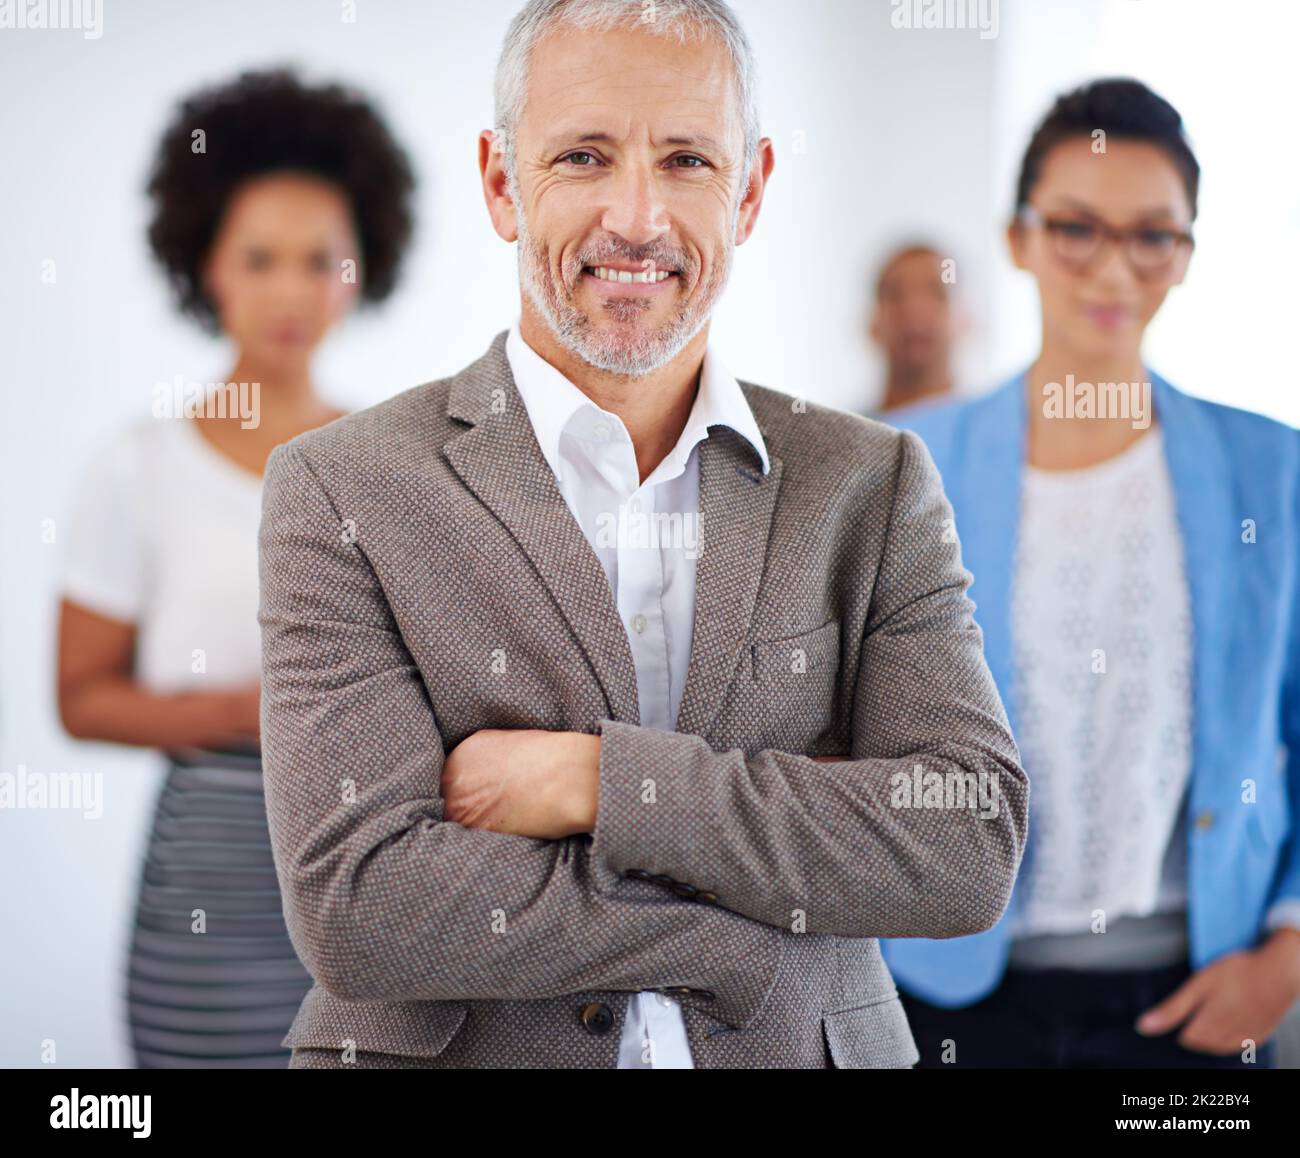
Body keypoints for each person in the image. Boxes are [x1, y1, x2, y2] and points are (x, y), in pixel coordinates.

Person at [259, 0, 1027, 1070]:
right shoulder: (340, 488)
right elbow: (364, 906)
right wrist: (751, 919)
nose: (637, 217)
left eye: (685, 160)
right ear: (500, 184)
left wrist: (593, 784)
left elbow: (961, 842)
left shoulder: (870, 483)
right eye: (582, 155)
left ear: (749, 189)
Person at [881, 78, 1300, 1069]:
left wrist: (1286, 958)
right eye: (1075, 227)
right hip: (942, 991)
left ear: (1186, 253)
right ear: (1019, 238)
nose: (1112, 267)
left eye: (1152, 235)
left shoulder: (1270, 470)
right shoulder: (902, 461)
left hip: (1193, 994)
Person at [54, 69, 416, 1068]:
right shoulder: (137, 465)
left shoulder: (394, 466)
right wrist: (248, 712)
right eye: (259, 258)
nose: (292, 291)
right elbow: (81, 698)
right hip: (206, 878)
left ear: (363, 268)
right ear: (207, 264)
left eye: (322, 260)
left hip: (368, 874)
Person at [867, 241, 964, 414]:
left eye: (937, 292)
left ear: (965, 320)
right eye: (895, 294)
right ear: (872, 325)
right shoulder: (835, 436)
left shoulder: (1001, 432)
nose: (915, 309)